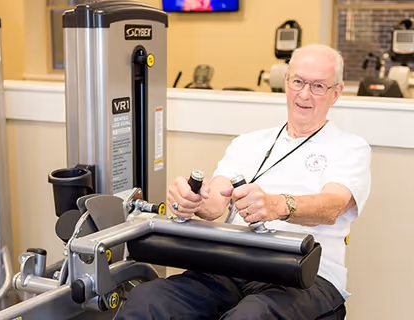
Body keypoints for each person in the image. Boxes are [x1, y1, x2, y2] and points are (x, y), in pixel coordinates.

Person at [116, 44, 372, 319]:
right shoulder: (248, 143)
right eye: (298, 82)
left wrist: (278, 205)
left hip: (306, 277)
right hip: (232, 265)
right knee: (149, 299)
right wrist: (192, 200)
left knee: (251, 316)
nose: (304, 94)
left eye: (318, 86)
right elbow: (214, 204)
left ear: (336, 92)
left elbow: (332, 206)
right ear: (286, 82)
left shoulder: (350, 147)